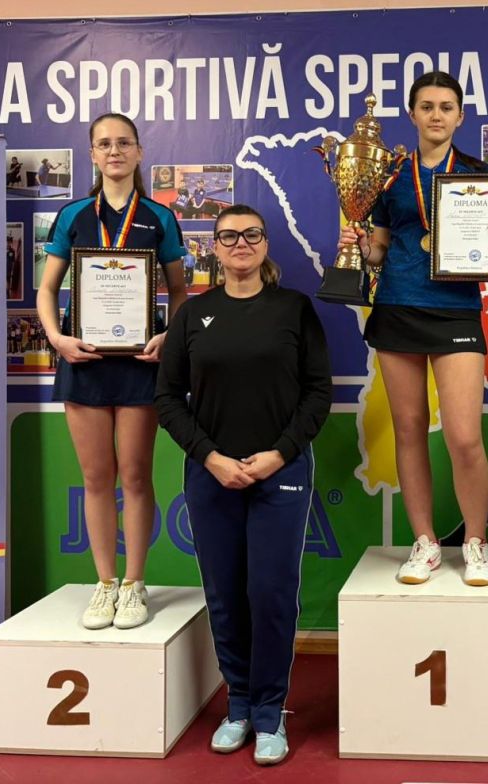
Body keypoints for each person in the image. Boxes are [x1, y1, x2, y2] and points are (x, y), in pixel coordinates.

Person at [155, 204, 332, 765]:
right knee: (226, 594)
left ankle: (270, 711)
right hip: (212, 474)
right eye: (228, 236)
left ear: (265, 243)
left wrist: (279, 454)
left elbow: (318, 392)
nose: (240, 244)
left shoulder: (293, 309)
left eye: (251, 234)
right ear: (214, 247)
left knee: (272, 593)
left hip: (281, 472)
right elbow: (167, 398)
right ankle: (238, 705)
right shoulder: (193, 314)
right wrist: (210, 458)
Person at [338, 71, 488, 586]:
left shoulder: (481, 175)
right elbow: (378, 249)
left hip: (456, 310)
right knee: (409, 429)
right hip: (397, 305)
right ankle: (425, 542)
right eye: (426, 106)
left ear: (460, 116)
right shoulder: (389, 175)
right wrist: (361, 244)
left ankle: (476, 541)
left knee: (463, 437)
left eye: (446, 107)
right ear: (413, 114)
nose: (436, 115)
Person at [36, 113, 187, 630]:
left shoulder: (160, 217)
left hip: (142, 363)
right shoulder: (73, 215)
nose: (115, 151)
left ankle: (134, 583)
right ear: (93, 155)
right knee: (97, 478)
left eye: (124, 142)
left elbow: (180, 291)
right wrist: (57, 339)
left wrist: (169, 336)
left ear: (139, 152)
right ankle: (104, 584)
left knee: (136, 476)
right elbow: (47, 290)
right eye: (105, 144)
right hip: (85, 360)